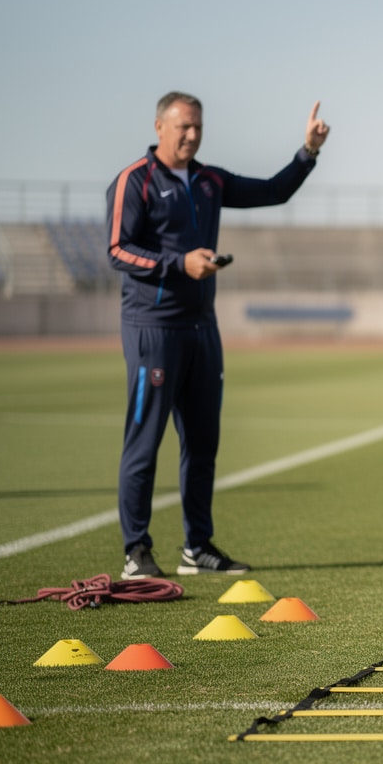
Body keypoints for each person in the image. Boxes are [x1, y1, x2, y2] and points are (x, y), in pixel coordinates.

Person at [107, 92, 330, 580]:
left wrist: (307, 152)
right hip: (153, 328)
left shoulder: (209, 180)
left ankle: (197, 547)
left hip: (201, 328)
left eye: (198, 127)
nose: (192, 135)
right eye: (183, 126)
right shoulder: (134, 181)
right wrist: (178, 263)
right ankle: (136, 551)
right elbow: (118, 251)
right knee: (144, 443)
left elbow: (275, 191)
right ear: (160, 126)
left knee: (203, 441)